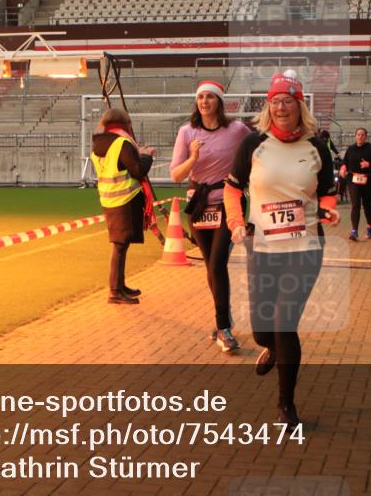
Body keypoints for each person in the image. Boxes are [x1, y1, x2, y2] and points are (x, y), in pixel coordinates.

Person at [224, 72, 340, 430]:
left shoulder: (317, 146)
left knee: (284, 322)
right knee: (262, 329)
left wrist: (330, 208)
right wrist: (234, 222)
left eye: (287, 101)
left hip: (304, 245)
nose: (280, 107)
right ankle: (270, 347)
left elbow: (327, 191)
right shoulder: (253, 145)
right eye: (274, 101)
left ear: (299, 106)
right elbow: (232, 190)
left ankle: (285, 404)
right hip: (262, 246)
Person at [170, 80, 253, 354]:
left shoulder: (237, 129)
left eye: (210, 97)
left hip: (228, 204)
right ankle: (222, 321)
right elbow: (176, 175)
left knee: (217, 263)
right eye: (201, 97)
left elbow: (257, 149)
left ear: (219, 101)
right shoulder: (186, 132)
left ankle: (224, 329)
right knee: (210, 266)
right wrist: (193, 157)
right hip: (199, 206)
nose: (204, 101)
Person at [90, 108, 156, 305]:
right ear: (125, 123)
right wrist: (146, 155)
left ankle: (120, 285)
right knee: (119, 246)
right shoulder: (121, 143)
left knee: (121, 245)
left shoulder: (99, 144)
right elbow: (138, 170)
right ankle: (115, 291)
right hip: (125, 200)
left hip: (109, 199)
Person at [339, 127, 371, 241]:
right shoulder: (351, 149)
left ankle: (369, 227)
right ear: (355, 136)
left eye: (363, 135)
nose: (360, 137)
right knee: (355, 205)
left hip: (368, 181)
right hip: (353, 180)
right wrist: (343, 168)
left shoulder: (370, 148)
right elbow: (345, 161)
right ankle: (354, 231)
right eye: (358, 134)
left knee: (367, 205)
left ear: (366, 137)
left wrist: (369, 164)